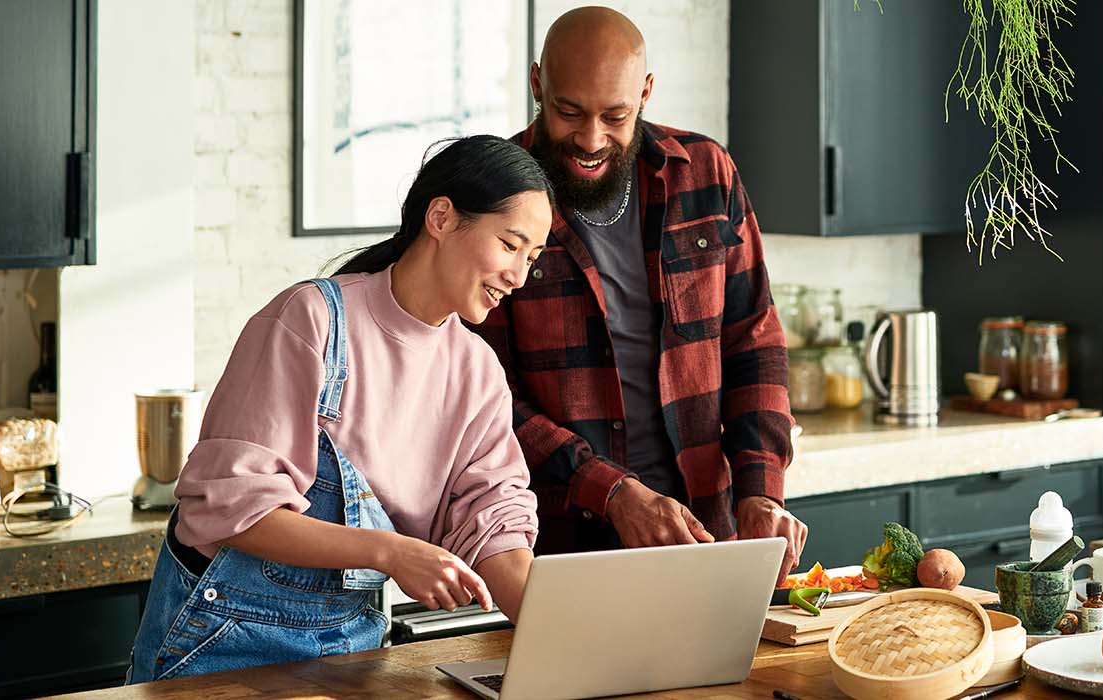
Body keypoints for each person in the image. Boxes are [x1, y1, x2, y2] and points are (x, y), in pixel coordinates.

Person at [127, 136, 551, 683]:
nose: (518, 276)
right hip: (220, 646)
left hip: (354, 649)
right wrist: (392, 554)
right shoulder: (312, 320)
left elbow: (494, 523)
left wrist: (569, 640)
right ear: (442, 218)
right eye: (510, 245)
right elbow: (232, 510)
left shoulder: (478, 372)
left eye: (532, 258)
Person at [469, 7, 806, 576]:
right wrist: (612, 491)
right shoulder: (496, 197)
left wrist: (760, 489)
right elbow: (485, 394)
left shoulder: (706, 175)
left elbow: (754, 342)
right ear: (536, 84)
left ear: (646, 93)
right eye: (568, 111)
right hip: (559, 545)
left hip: (705, 531)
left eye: (615, 115)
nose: (591, 139)